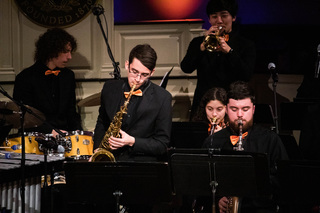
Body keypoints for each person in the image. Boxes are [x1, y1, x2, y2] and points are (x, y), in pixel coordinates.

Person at [202, 81, 288, 213]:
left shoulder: (270, 140)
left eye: (245, 109)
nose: (240, 115)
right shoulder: (212, 141)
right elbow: (202, 183)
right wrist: (218, 199)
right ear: (226, 109)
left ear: (253, 109)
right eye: (234, 109)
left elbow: (284, 182)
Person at [93, 44, 172, 162]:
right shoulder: (110, 88)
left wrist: (132, 141)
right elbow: (102, 123)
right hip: (110, 159)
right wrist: (98, 150)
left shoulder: (163, 98)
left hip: (141, 163)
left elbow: (162, 144)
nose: (138, 79)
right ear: (127, 65)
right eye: (134, 71)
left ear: (152, 72)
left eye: (145, 75)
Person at [180, 0, 256, 120]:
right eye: (214, 16)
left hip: (231, 105)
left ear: (233, 17)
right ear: (209, 20)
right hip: (204, 104)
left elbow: (246, 75)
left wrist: (229, 52)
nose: (219, 21)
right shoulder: (198, 43)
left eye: (224, 15)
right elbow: (186, 68)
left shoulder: (245, 45)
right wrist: (202, 47)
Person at [13, 28, 82, 137]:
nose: (69, 57)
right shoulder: (25, 78)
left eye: (70, 51)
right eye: (65, 52)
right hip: (36, 137)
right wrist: (50, 131)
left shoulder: (68, 76)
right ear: (51, 51)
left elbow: (71, 112)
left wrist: (78, 132)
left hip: (64, 136)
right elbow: (25, 117)